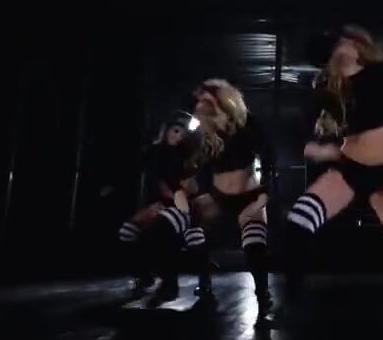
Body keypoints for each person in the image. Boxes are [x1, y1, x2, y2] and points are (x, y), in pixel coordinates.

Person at [284, 25, 383, 334]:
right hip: (349, 169)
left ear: (360, 46)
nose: (344, 44)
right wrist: (318, 148)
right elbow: (304, 133)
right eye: (338, 43)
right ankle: (293, 301)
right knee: (297, 224)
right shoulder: (328, 90)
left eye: (349, 40)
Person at [188, 79, 277, 325]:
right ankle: (204, 283)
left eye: (207, 100)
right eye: (200, 101)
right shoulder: (203, 130)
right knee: (195, 231)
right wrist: (202, 192)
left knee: (255, 245)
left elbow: (268, 155)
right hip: (218, 196)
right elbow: (200, 166)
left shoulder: (247, 122)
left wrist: (265, 192)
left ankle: (264, 301)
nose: (201, 105)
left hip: (248, 194)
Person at [117, 113, 203, 303]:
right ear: (166, 130)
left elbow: (191, 189)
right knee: (127, 232)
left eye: (182, 134)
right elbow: (135, 171)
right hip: (157, 205)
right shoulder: (153, 152)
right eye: (175, 131)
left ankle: (170, 284)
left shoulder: (185, 157)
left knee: (163, 227)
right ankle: (145, 276)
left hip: (180, 206)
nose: (177, 136)